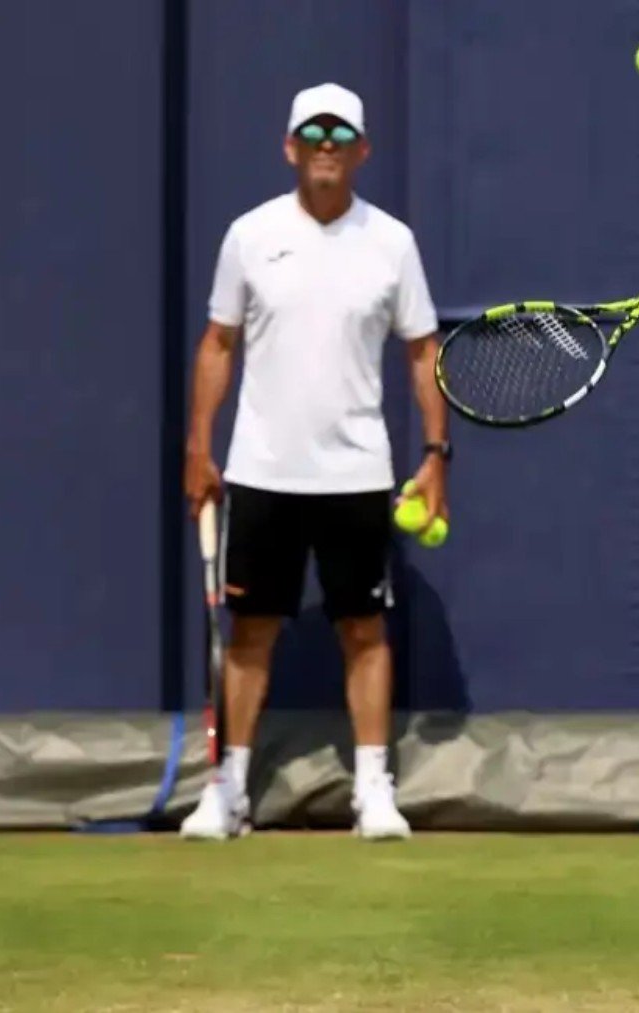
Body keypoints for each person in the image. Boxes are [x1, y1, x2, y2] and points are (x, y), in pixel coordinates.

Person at [179, 83, 451, 842]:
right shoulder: (250, 234)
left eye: (341, 132)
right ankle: (227, 790)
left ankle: (373, 789)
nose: (326, 143)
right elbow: (218, 343)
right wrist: (199, 447)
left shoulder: (391, 242)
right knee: (250, 632)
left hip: (358, 475)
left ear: (361, 149)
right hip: (262, 471)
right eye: (312, 131)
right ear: (290, 146)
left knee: (364, 631)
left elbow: (423, 350)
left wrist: (436, 456)